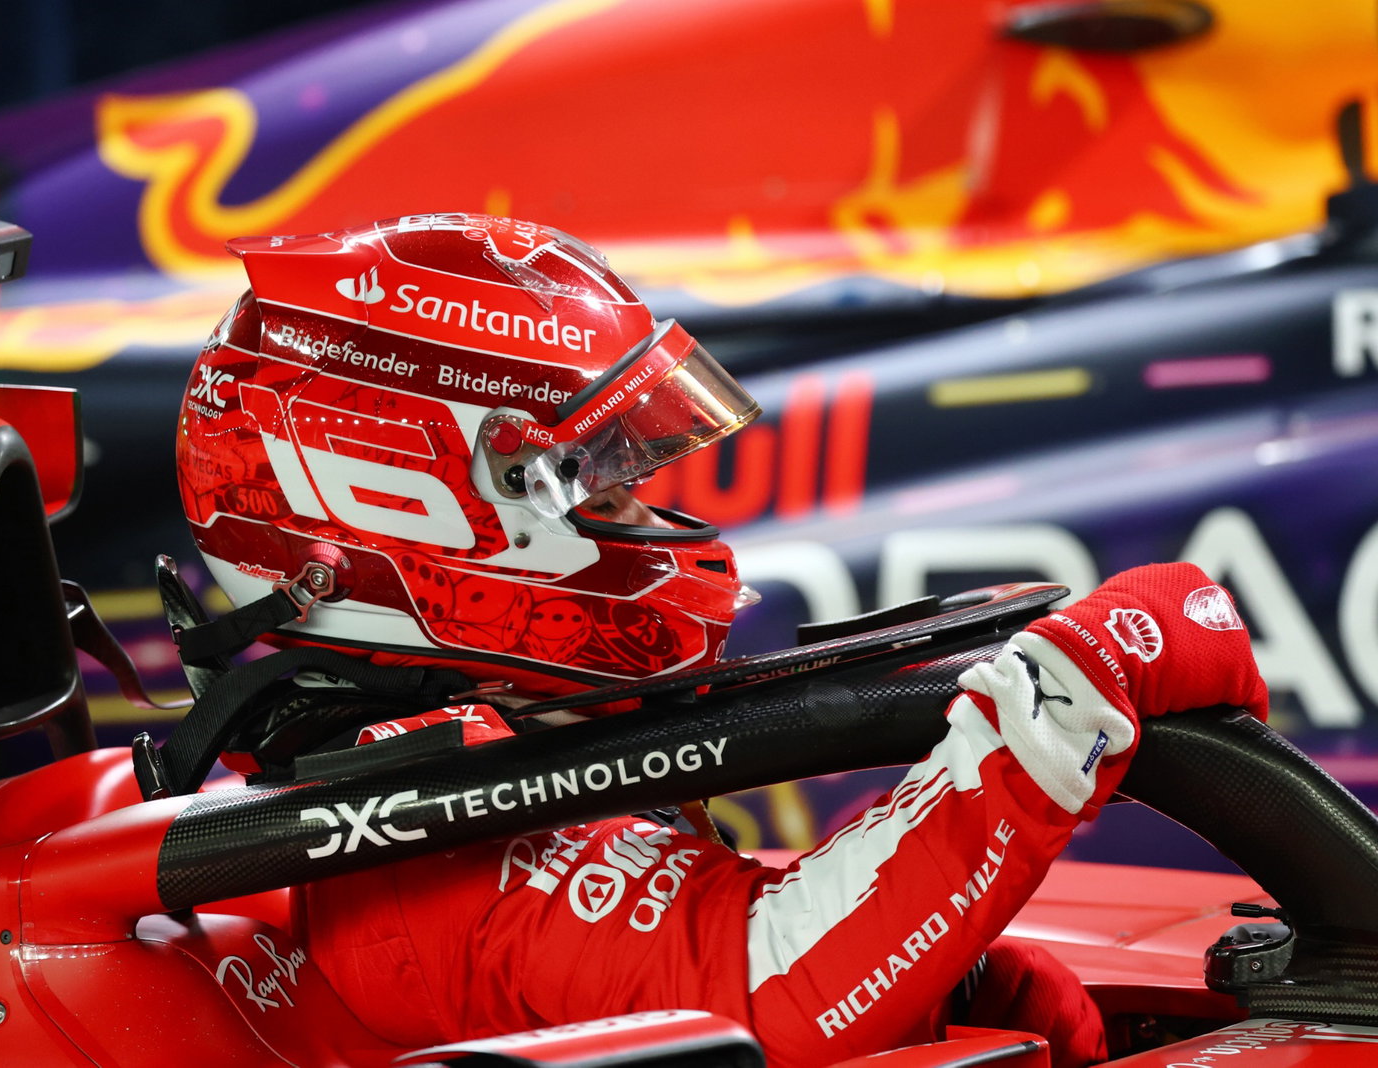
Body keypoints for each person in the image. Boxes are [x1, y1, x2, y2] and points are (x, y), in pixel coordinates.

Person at [175, 213, 1269, 1068]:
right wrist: (1072, 690)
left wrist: (955, 989)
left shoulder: (466, 759)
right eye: (606, 486)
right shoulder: (423, 835)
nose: (657, 525)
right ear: (409, 504)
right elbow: (772, 995)